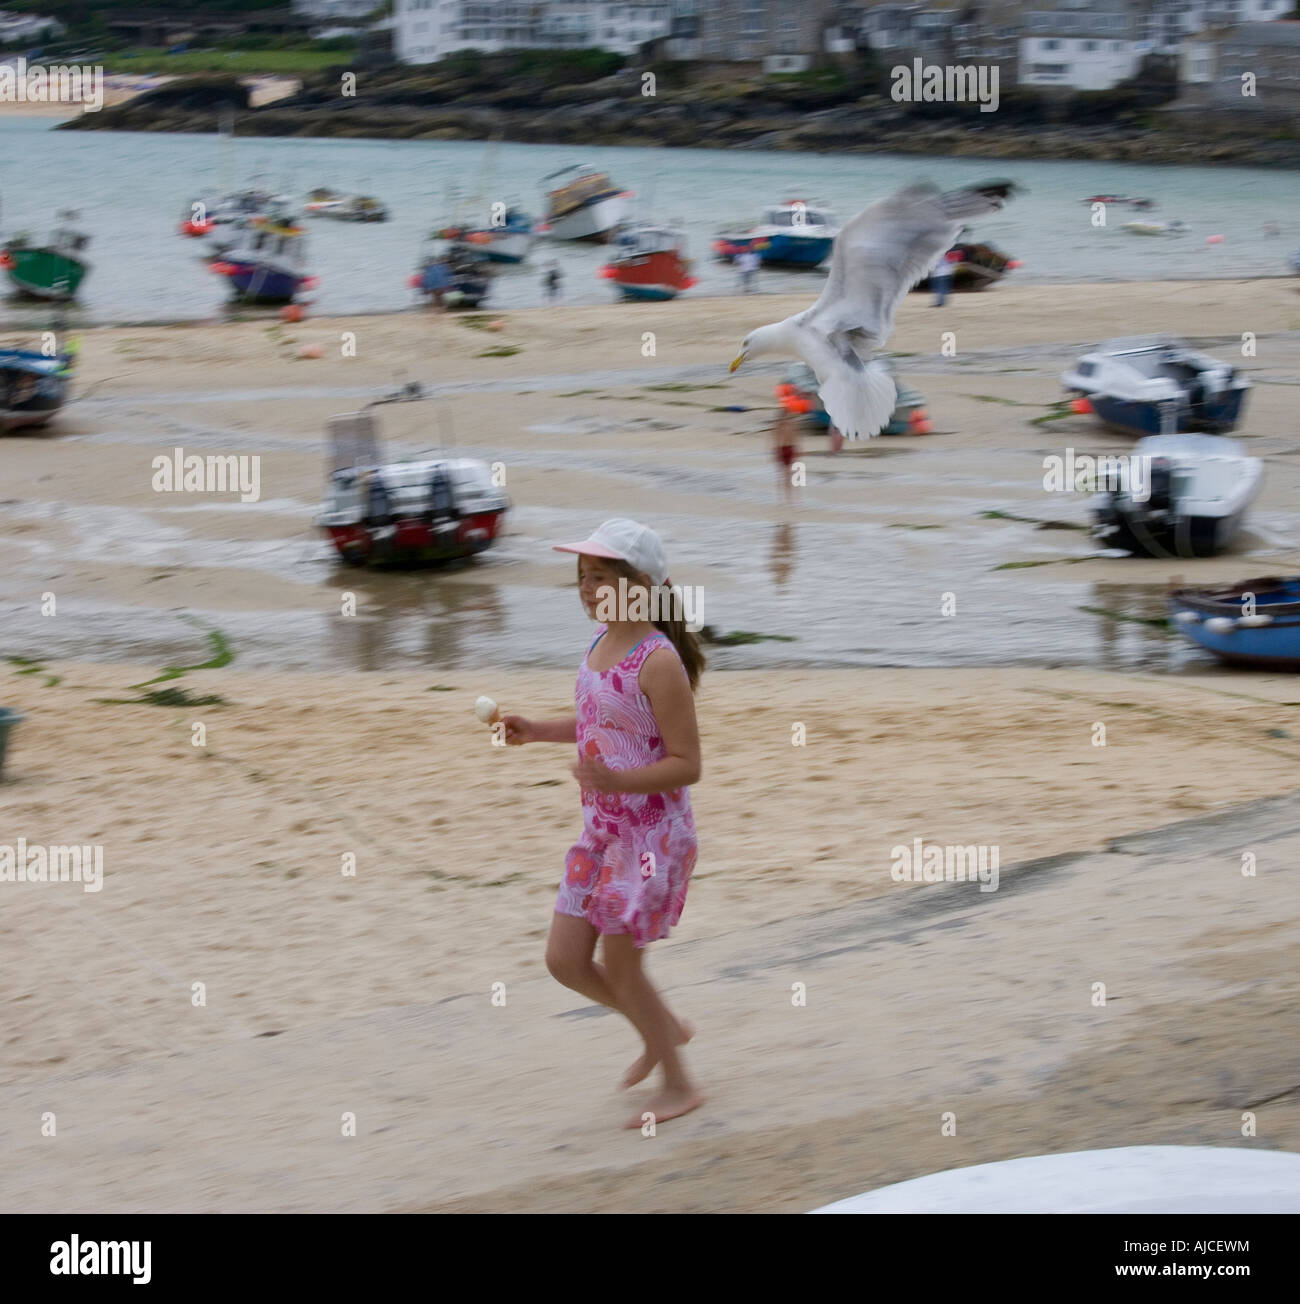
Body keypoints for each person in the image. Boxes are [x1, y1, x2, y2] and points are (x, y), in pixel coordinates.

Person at [502, 519, 705, 1129]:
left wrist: (620, 782)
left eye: (600, 577)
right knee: (564, 960)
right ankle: (661, 1026)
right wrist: (539, 729)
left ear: (640, 584)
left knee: (621, 966)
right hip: (601, 833)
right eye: (582, 578)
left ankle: (679, 1085)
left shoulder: (658, 661)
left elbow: (687, 763)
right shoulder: (597, 646)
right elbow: (599, 721)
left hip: (649, 837)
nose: (588, 589)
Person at [771, 408, 799, 501]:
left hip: (790, 449)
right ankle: (780, 496)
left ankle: (788, 496)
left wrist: (797, 450)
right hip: (782, 449)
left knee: (789, 474)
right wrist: (776, 452)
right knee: (782, 474)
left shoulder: (792, 424)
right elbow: (776, 439)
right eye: (785, 415)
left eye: (788, 416)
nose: (787, 417)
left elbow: (795, 438)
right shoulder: (779, 425)